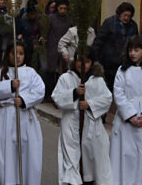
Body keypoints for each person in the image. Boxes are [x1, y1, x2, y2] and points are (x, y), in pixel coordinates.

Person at [51, 49, 113, 185]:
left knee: (91, 163)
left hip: (91, 128)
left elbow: (107, 99)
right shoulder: (66, 78)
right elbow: (57, 97)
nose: (83, 64)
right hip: (71, 127)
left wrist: (89, 104)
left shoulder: (97, 80)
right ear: (75, 61)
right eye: (80, 60)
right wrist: (74, 93)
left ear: (92, 63)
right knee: (72, 161)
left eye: (87, 61)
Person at [0, 43, 45, 185]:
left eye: (21, 53)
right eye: (14, 53)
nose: (18, 56)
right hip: (5, 118)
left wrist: (24, 100)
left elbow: (40, 90)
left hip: (26, 118)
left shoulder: (31, 73)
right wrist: (10, 86)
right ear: (8, 55)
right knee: (6, 156)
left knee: (29, 155)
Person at [109, 35, 142, 185]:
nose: (133, 53)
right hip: (127, 120)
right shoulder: (122, 70)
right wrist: (130, 115)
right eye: (130, 50)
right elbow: (118, 93)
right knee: (126, 155)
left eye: (136, 50)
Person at [93, 2, 138, 92]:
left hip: (125, 63)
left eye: (129, 16)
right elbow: (99, 41)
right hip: (109, 63)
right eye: (124, 15)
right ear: (119, 13)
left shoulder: (133, 26)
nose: (126, 18)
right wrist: (96, 59)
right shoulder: (109, 23)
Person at [45, 0, 73, 100]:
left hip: (65, 49)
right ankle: (50, 95)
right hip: (52, 48)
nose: (62, 11)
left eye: (64, 9)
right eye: (60, 8)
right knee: (52, 73)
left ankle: (61, 97)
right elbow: (46, 32)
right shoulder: (51, 18)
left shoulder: (70, 19)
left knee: (63, 74)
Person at [17, 0, 40, 65]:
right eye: (31, 14)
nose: (33, 16)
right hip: (25, 47)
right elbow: (18, 32)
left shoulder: (40, 20)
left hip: (36, 48)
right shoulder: (22, 20)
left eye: (34, 14)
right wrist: (19, 36)